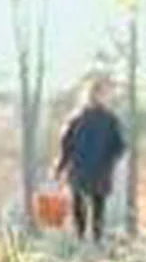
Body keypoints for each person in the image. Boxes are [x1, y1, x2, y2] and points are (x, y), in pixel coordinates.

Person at [53, 77, 127, 243]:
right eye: (97, 93)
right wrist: (60, 167)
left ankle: (93, 240)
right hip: (85, 169)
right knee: (83, 206)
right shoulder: (80, 120)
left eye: (101, 94)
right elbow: (67, 145)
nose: (99, 97)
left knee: (94, 207)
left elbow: (119, 146)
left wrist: (110, 160)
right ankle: (85, 239)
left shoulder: (107, 120)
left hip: (96, 169)